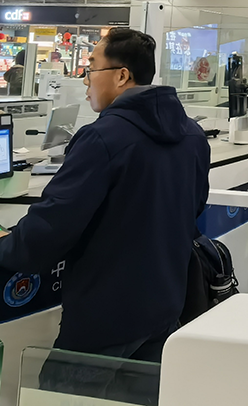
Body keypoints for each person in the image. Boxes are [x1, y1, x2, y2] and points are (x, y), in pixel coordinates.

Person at [0, 28, 210, 361]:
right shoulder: (192, 135)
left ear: (122, 75)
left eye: (91, 69)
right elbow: (194, 207)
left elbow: (52, 227)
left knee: (65, 389)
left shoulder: (102, 139)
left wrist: (8, 246)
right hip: (166, 306)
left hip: (104, 317)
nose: (86, 81)